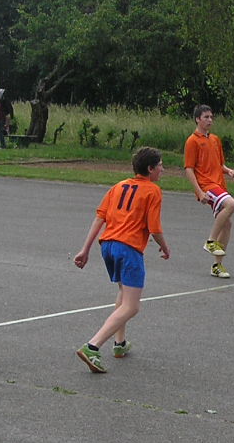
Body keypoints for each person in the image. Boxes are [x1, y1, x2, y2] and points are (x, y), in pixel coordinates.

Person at [73, 147, 170, 373]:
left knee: (124, 292)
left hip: (108, 246)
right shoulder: (153, 191)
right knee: (132, 306)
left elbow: (100, 218)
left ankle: (120, 343)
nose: (163, 169)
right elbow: (154, 228)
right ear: (150, 169)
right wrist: (165, 247)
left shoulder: (118, 186)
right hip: (128, 249)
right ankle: (92, 346)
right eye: (160, 165)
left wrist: (85, 249)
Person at [184, 104, 234, 279]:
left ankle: (217, 265)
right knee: (231, 204)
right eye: (206, 117)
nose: (209, 120)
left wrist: (228, 171)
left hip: (219, 184)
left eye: (211, 117)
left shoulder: (215, 139)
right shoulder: (192, 141)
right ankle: (210, 240)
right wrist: (199, 192)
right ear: (197, 119)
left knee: (227, 224)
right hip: (207, 185)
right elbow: (189, 169)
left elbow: (219, 164)